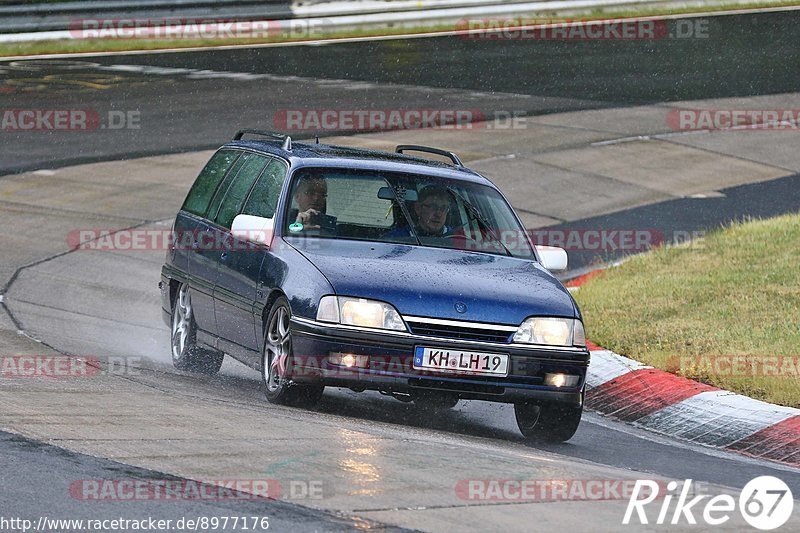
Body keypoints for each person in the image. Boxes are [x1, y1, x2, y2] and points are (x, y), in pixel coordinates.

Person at [386, 185, 452, 239]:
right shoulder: (396, 238)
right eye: (433, 207)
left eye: (444, 208)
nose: (439, 214)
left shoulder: (457, 239)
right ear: (418, 208)